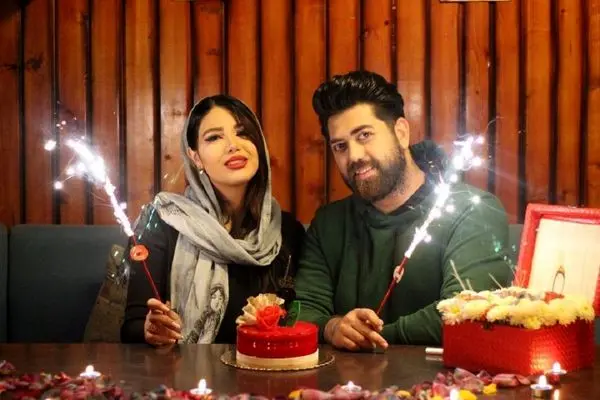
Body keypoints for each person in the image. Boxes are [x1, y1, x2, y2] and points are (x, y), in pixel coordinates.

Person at [295, 71, 513, 350]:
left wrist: (370, 338)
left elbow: (465, 312)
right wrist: (333, 327)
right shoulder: (329, 223)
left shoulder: (471, 211)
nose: (354, 156)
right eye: (340, 146)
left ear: (401, 132)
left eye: (364, 135)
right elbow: (301, 312)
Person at [121, 95, 305, 346]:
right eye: (214, 137)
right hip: (183, 369)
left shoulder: (287, 230)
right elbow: (132, 326)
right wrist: (152, 330)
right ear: (195, 157)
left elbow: (303, 320)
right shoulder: (162, 221)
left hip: (268, 367)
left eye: (243, 133)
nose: (233, 145)